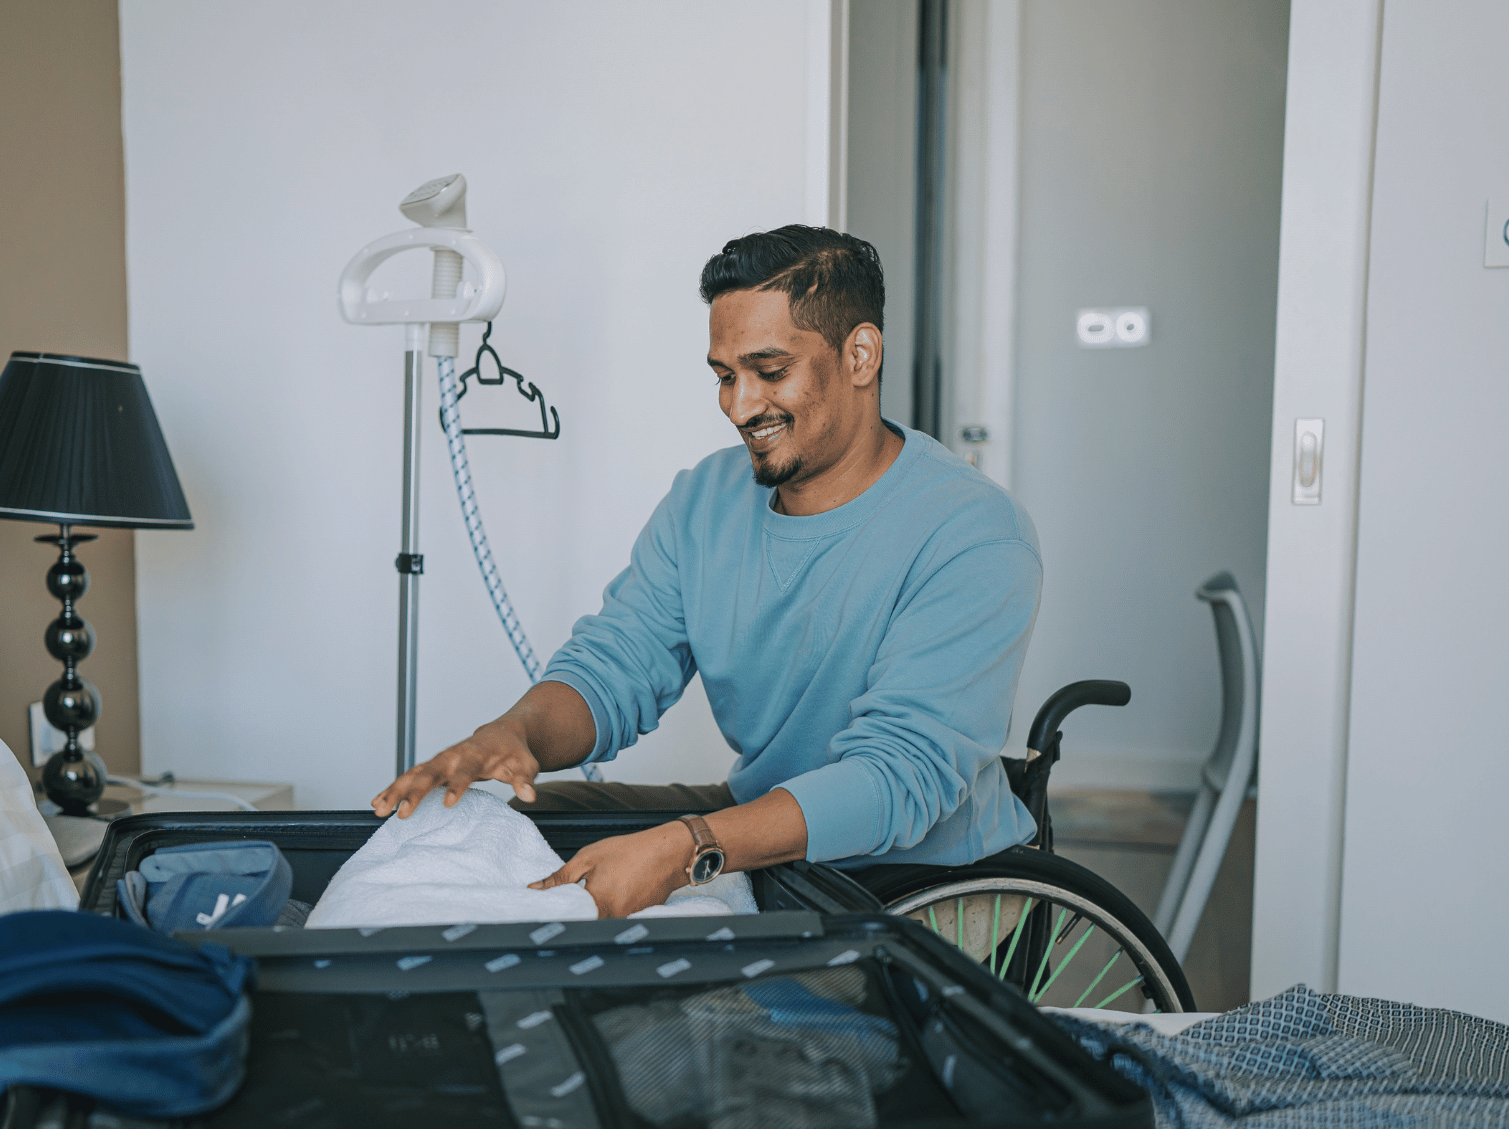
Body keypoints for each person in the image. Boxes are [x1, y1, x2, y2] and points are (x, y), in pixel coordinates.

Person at [371, 225, 1042, 917]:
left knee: (698, 1012)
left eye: (770, 371)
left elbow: (899, 779)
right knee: (507, 829)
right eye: (725, 376)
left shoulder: (971, 532)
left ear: (860, 355)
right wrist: (515, 735)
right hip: (763, 825)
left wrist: (687, 845)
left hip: (917, 871)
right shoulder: (705, 500)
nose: (739, 406)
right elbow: (616, 664)